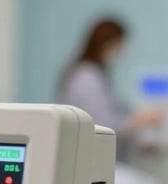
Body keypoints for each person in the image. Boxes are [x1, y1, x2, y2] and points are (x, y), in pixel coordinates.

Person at [57, 19, 163, 160]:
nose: (121, 52)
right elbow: (104, 126)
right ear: (108, 44)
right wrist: (140, 120)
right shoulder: (86, 77)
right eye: (119, 46)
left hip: (100, 160)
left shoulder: (94, 75)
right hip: (91, 161)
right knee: (148, 183)